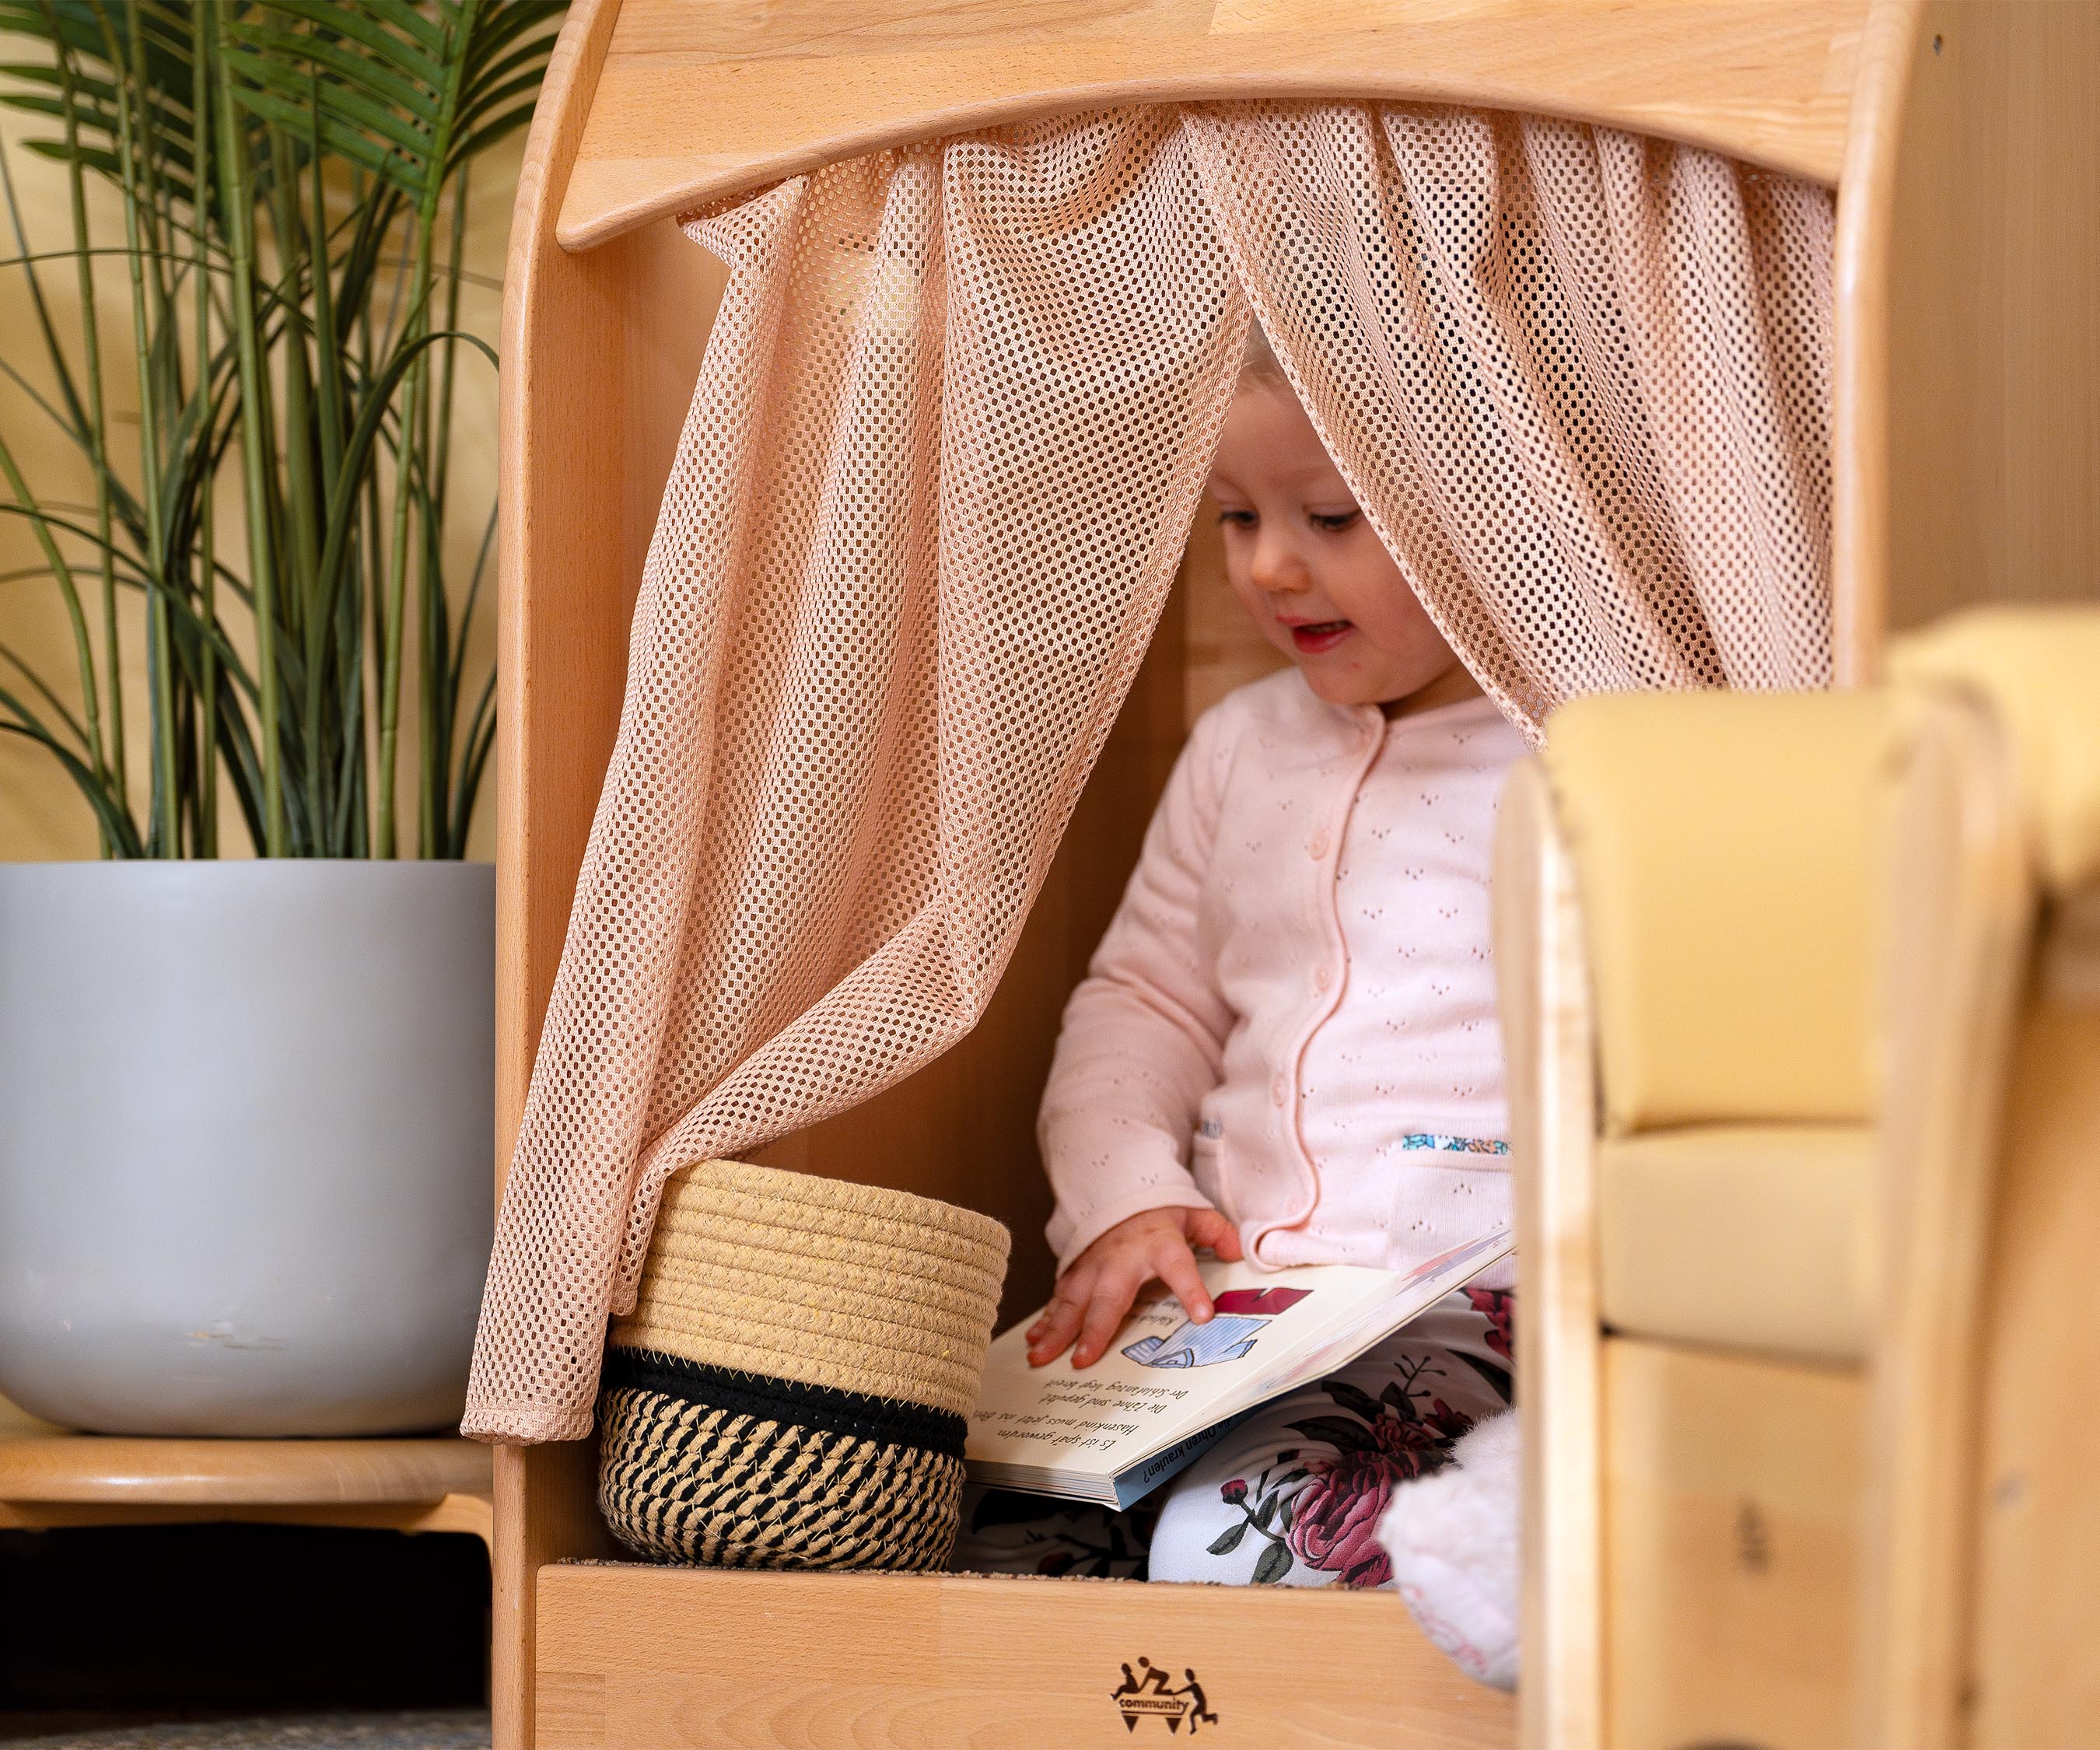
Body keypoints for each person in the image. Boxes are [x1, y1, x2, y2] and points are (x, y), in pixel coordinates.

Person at [955, 328, 1523, 1689]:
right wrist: (1124, 1197)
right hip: (1227, 1317)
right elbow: (1142, 999)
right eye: (1237, 517)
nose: (1271, 564)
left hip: (1456, 1309)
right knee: (989, 1554)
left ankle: (1524, 1551)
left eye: (1329, 517)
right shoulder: (1240, 746)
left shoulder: (1577, 746)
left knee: (1241, 1545)